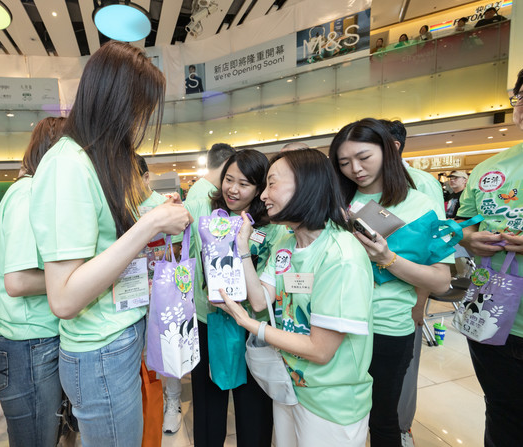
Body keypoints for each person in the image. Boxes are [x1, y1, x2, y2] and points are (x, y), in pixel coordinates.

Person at [29, 41, 192, 447]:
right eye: (140, 112)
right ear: (116, 103)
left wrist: (154, 208)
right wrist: (152, 222)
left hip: (116, 339)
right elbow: (64, 299)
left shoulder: (94, 159)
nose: (141, 124)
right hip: (99, 351)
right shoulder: (67, 165)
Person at [216, 149, 373, 447]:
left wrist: (250, 324)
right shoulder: (288, 243)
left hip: (331, 402)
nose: (263, 195)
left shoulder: (340, 257)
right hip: (290, 386)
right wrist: (243, 247)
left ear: (306, 186)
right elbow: (261, 300)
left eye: (271, 184)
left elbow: (320, 349)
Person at [329, 118, 451, 447]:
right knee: (338, 417)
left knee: (383, 420)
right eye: (344, 162)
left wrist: (388, 259)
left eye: (364, 158)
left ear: (388, 151)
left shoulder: (420, 205)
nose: (355, 168)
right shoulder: (334, 205)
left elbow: (441, 280)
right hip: (335, 325)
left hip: (386, 328)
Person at [180, 149, 286, 447]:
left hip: (252, 328)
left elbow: (268, 286)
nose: (233, 189)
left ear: (259, 187)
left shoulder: (272, 225)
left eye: (244, 183)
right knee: (208, 408)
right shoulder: (204, 207)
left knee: (253, 412)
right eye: (228, 179)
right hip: (208, 321)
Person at [0, 117, 65, 447]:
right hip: (28, 348)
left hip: (34, 346)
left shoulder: (36, 193)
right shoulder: (27, 195)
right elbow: (17, 281)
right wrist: (77, 279)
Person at [456, 67, 523, 447]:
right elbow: (464, 224)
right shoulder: (489, 169)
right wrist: (468, 239)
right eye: (522, 96)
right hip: (491, 315)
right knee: (501, 412)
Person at [380, 119, 445, 446]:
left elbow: (432, 255)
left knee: (402, 372)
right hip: (368, 307)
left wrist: (420, 303)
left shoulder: (421, 184)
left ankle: (402, 427)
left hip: (406, 297)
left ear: (391, 147)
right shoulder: (358, 188)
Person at [133, 153, 184, 434]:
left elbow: (178, 249)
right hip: (131, 293)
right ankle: (145, 404)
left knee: (169, 348)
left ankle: (172, 403)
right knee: (142, 352)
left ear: (146, 178)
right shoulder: (121, 206)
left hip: (162, 292)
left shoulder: (164, 206)